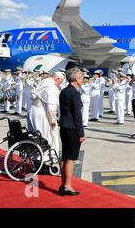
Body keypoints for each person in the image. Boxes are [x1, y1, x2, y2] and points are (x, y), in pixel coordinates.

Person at [58, 67, 85, 196]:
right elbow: (77, 115)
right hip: (72, 129)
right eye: (81, 77)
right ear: (75, 79)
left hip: (64, 127)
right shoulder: (74, 93)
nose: (83, 79)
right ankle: (68, 186)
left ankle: (63, 184)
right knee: (70, 159)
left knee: (65, 157)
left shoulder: (63, 91)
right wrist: (81, 133)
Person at [27, 72, 65, 156]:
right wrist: (52, 120)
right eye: (60, 82)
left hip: (33, 110)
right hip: (41, 112)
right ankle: (44, 158)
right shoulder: (51, 87)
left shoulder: (45, 81)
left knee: (34, 134)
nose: (60, 84)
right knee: (45, 135)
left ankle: (34, 156)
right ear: (57, 79)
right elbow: (51, 106)